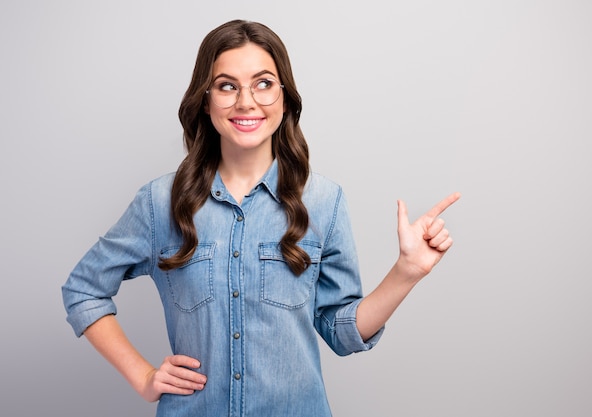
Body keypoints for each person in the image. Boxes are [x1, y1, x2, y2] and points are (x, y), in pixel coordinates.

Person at [62, 19, 459, 417]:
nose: (246, 102)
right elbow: (83, 290)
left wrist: (406, 271)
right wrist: (143, 376)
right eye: (227, 85)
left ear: (284, 99)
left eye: (264, 83)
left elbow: (342, 333)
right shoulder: (160, 202)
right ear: (205, 99)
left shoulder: (324, 200)